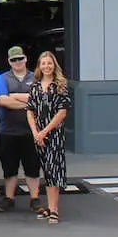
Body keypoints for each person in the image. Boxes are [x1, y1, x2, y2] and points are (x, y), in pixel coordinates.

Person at [0, 45, 41, 215]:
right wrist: (29, 104)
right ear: (9, 61)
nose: (17, 62)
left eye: (20, 58)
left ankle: (35, 198)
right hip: (8, 131)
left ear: (26, 59)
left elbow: (40, 97)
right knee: (9, 167)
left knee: (32, 167)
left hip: (32, 131)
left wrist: (14, 96)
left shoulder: (36, 77)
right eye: (13, 60)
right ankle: (9, 198)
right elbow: (3, 100)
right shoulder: (3, 78)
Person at [27, 51, 72, 225]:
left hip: (53, 134)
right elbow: (30, 110)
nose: (46, 66)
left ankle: (54, 210)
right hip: (38, 135)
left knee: (54, 172)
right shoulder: (35, 86)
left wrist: (44, 131)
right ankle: (49, 205)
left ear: (54, 65)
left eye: (49, 63)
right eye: (43, 63)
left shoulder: (60, 85)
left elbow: (62, 112)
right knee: (45, 171)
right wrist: (35, 132)